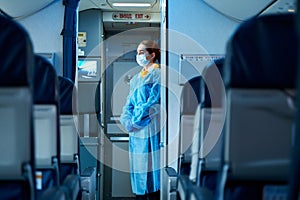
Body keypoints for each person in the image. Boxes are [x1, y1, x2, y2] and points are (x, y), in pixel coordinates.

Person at [120, 40, 161, 200]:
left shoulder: (158, 74)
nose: (139, 56)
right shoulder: (137, 78)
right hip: (135, 131)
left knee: (151, 168)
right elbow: (129, 103)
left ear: (152, 55)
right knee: (138, 168)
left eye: (142, 52)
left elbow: (153, 103)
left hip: (150, 127)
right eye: (137, 52)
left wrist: (136, 121)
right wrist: (127, 121)